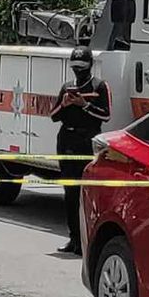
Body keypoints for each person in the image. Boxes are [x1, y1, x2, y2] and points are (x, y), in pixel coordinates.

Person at [50, 46, 111, 255]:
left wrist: (85, 104)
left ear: (90, 65)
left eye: (82, 66)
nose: (78, 70)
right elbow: (53, 115)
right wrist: (66, 104)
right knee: (70, 192)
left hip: (87, 140)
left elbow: (106, 115)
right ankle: (73, 238)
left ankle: (87, 241)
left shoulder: (99, 86)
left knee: (87, 192)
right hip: (67, 139)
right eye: (74, 67)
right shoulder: (67, 86)